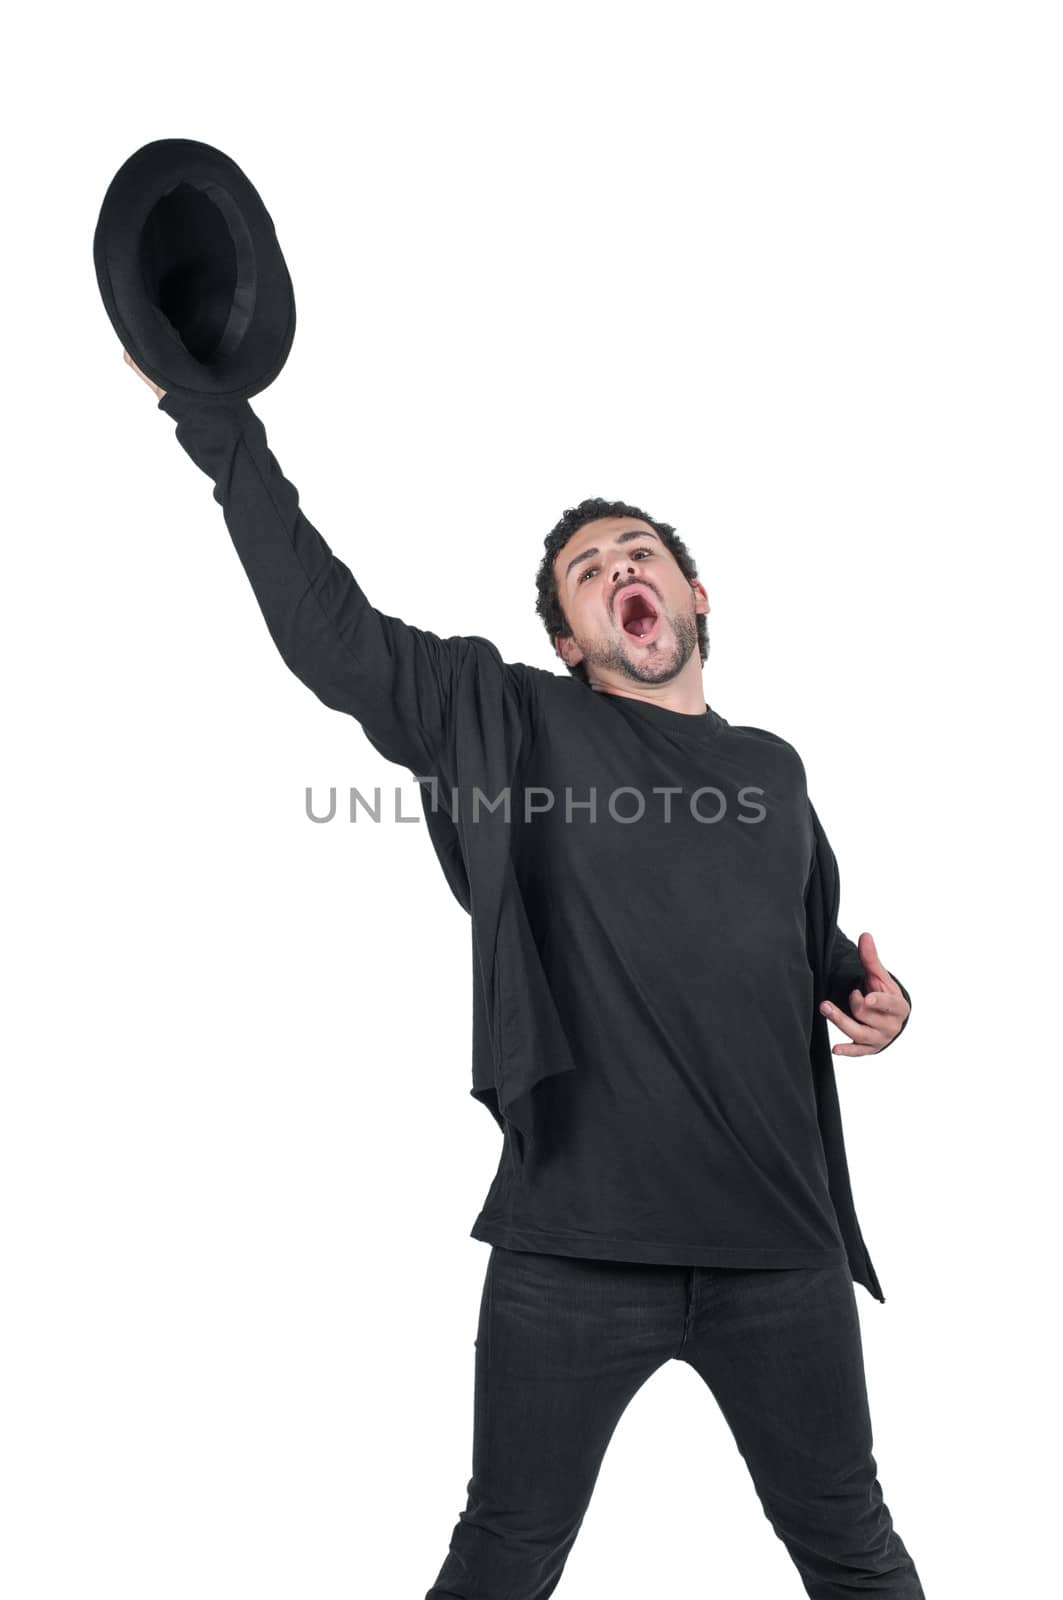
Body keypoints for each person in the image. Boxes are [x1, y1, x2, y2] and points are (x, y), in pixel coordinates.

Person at [126, 351, 925, 1598]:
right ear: (568, 634)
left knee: (852, 1547)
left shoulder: (774, 768)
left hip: (780, 1247)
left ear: (696, 594)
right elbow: (328, 631)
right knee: (505, 1551)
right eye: (588, 571)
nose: (620, 571)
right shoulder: (505, 722)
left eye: (638, 553)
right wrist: (212, 414)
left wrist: (886, 1002)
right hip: (572, 1246)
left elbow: (809, 947)